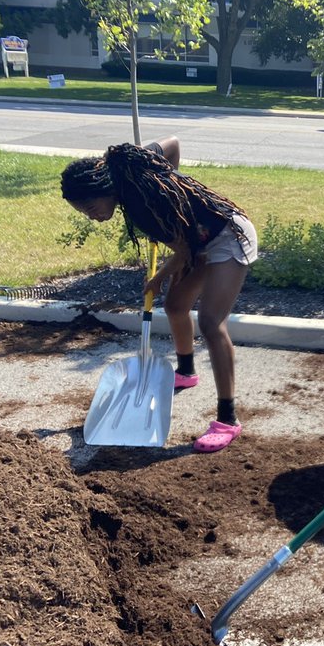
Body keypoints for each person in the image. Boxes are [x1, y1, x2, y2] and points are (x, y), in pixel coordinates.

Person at [60, 137, 257, 453]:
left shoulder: (143, 203)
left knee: (210, 322)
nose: (91, 216)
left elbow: (182, 249)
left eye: (90, 207)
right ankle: (187, 373)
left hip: (229, 237)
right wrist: (173, 199)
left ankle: (227, 420)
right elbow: (173, 146)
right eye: (83, 212)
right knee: (176, 306)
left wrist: (171, 192)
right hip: (201, 242)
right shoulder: (129, 173)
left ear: (105, 189)